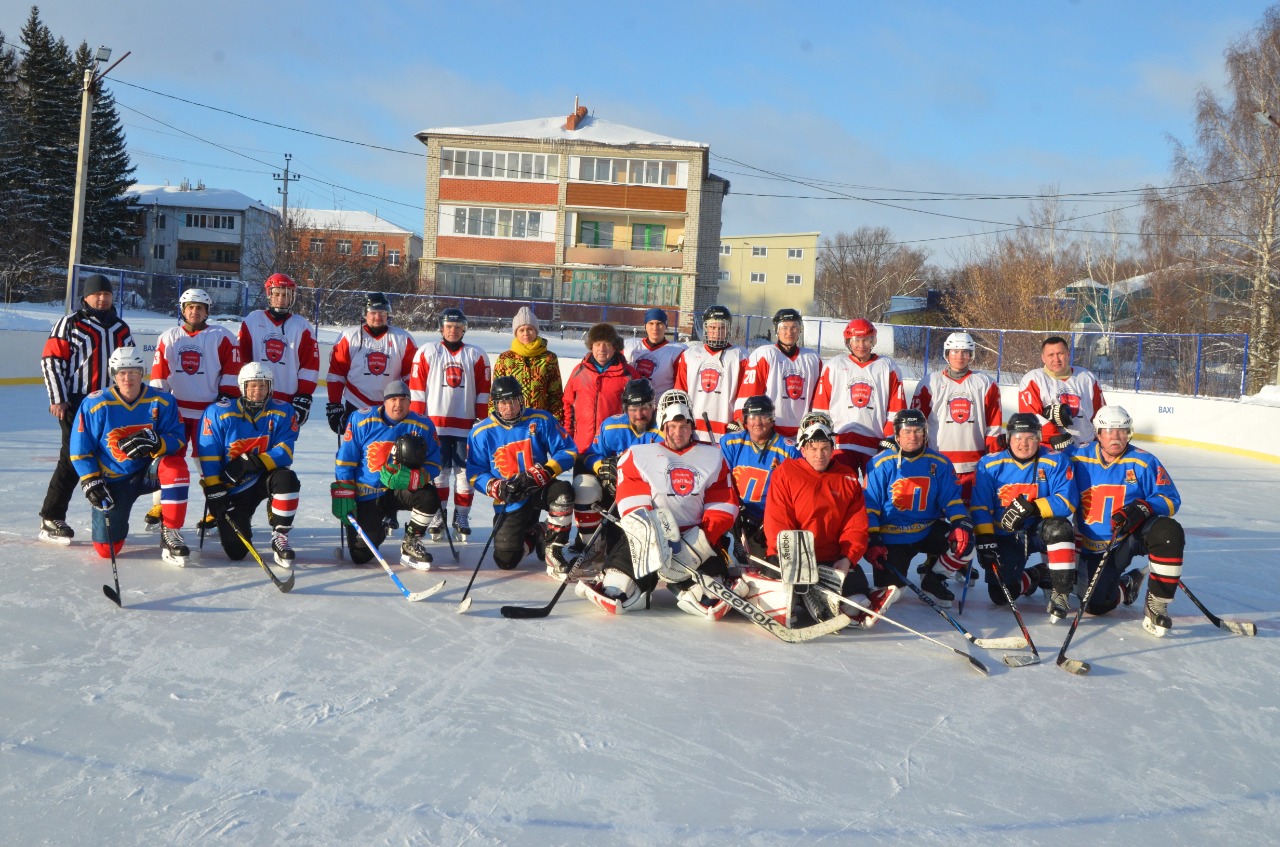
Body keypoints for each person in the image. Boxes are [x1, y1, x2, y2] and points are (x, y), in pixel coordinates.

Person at [576, 389, 739, 618]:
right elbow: (631, 501)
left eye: (684, 426)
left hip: (698, 539)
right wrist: (653, 538)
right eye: (672, 426)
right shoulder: (639, 455)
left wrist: (701, 541)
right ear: (663, 427)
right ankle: (637, 584)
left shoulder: (714, 456)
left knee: (707, 594)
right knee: (618, 587)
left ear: (692, 426)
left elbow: (723, 503)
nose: (678, 433)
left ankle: (686, 587)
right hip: (647, 539)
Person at [751, 411, 894, 627]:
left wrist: (848, 558)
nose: (820, 454)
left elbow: (855, 526)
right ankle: (789, 598)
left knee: (856, 601)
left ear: (832, 448)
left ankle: (851, 603)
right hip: (791, 558)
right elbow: (777, 522)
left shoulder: (847, 478)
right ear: (803, 448)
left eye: (825, 448)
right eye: (813, 448)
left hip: (831, 561)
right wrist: (796, 562)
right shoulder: (785, 473)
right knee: (783, 599)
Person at [1068, 405, 1184, 637]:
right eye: (1110, 431)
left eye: (1122, 431)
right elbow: (1044, 466)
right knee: (1096, 605)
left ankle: (1157, 604)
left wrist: (1144, 507)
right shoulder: (1078, 456)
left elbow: (1171, 499)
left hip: (1128, 538)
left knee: (1168, 532)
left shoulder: (1143, 461)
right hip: (1092, 545)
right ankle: (1127, 584)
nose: (1116, 437)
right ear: (1098, 433)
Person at [70, 347, 190, 565]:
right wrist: (90, 480)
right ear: (113, 374)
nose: (127, 378)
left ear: (142, 372)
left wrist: (159, 442)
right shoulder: (95, 403)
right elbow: (80, 449)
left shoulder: (162, 401)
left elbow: (179, 437)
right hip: (114, 479)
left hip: (148, 472)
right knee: (107, 550)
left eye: (133, 372)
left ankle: (171, 531)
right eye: (122, 372)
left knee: (176, 467)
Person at [39, 273, 134, 544]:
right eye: (97, 295)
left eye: (106, 294)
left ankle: (108, 518)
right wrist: (58, 398)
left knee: (112, 457)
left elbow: (130, 367)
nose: (102, 299)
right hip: (78, 402)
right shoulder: (70, 324)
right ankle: (50, 517)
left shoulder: (121, 328)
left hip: (110, 404)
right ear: (86, 297)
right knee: (72, 457)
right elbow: (51, 362)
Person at [147, 287, 242, 533]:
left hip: (207, 414)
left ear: (207, 311)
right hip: (175, 413)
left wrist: (225, 401)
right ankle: (161, 506)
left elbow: (232, 371)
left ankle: (215, 509)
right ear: (182, 309)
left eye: (199, 308)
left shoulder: (222, 336)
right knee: (166, 459)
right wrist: (158, 404)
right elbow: (159, 372)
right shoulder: (169, 336)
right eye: (190, 307)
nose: (194, 311)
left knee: (208, 463)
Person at [863, 409, 973, 607]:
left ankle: (934, 578)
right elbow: (869, 505)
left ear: (925, 434)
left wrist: (959, 521)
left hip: (926, 530)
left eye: (918, 431)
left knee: (965, 545)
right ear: (897, 435)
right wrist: (873, 536)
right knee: (892, 593)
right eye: (907, 431)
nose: (913, 436)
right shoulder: (880, 463)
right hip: (892, 537)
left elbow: (951, 499)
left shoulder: (939, 462)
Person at [969, 413, 1078, 614]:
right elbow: (980, 506)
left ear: (1039, 438)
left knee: (1060, 528)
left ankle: (1061, 592)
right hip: (1006, 535)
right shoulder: (989, 464)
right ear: (1009, 438)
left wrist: (1034, 508)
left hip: (1039, 531)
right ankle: (1038, 574)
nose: (1024, 444)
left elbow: (1067, 502)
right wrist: (985, 537)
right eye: (1018, 437)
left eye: (1030, 438)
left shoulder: (1056, 460)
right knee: (1001, 596)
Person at [197, 362, 301, 568]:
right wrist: (214, 487)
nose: (258, 391)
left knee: (287, 479)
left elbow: (286, 451)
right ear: (242, 386)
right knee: (236, 552)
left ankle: (280, 535)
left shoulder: (282, 410)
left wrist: (251, 462)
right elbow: (208, 453)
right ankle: (227, 519)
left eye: (263, 385)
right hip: (234, 488)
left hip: (265, 478)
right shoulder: (218, 413)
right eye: (252, 385)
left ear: (270, 387)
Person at [468, 375, 578, 572]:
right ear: (495, 404)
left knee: (563, 491)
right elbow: (475, 473)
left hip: (538, 486)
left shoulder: (541, 420)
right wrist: (497, 487)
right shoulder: (481, 432)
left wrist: (546, 470)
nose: (509, 408)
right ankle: (539, 531)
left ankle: (554, 550)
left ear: (521, 400)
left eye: (513, 401)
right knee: (506, 560)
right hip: (511, 496)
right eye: (503, 403)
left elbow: (568, 450)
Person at [333, 380, 444, 568]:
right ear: (384, 402)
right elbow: (345, 461)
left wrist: (419, 477)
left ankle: (412, 541)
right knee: (360, 555)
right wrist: (345, 492)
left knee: (428, 496)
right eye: (393, 399)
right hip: (367, 492)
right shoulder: (361, 420)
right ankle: (380, 525)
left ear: (410, 403)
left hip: (400, 489)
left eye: (403, 400)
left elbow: (435, 461)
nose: (398, 404)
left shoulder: (423, 425)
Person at [409, 306, 490, 542]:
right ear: (441, 328)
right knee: (439, 473)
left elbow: (483, 392)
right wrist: (417, 421)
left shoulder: (477, 354)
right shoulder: (427, 351)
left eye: (457, 327)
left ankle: (461, 516)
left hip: (466, 426)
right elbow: (416, 390)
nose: (453, 330)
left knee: (465, 474)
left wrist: (481, 422)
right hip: (435, 425)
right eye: (448, 326)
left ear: (464, 329)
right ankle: (439, 515)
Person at [571, 378, 663, 557]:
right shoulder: (612, 425)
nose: (639, 414)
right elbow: (590, 455)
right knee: (584, 485)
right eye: (633, 409)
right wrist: (601, 466)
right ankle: (592, 545)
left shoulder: (665, 428)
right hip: (614, 492)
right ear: (624, 408)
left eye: (644, 408)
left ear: (653, 406)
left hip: (651, 497)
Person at [910, 331, 1003, 502]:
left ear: (971, 355)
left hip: (974, 463)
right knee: (938, 510)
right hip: (938, 461)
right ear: (947, 354)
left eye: (965, 352)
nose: (959, 356)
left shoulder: (985, 383)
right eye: (954, 351)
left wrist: (992, 454)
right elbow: (916, 423)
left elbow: (994, 423)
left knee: (970, 513)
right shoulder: (929, 382)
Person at [812, 318, 907, 477]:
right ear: (848, 341)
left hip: (874, 443)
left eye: (866, 340)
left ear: (873, 341)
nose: (861, 345)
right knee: (840, 489)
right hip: (840, 441)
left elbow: (896, 410)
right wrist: (824, 438)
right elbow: (821, 409)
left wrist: (888, 439)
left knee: (874, 492)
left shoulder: (888, 367)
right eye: (856, 340)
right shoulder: (834, 365)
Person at [718, 394, 800, 563]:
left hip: (769, 522)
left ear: (772, 419)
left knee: (763, 567)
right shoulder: (731, 443)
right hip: (737, 517)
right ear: (745, 420)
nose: (758, 422)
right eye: (753, 417)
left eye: (763, 416)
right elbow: (720, 482)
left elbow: (797, 492)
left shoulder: (788, 450)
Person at [325, 292, 418, 435]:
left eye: (382, 312)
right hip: (356, 404)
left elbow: (410, 377)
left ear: (388, 314)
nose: (378, 317)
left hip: (390, 406)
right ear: (365, 314)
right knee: (355, 451)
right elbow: (336, 375)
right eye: (373, 312)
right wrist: (334, 405)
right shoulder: (349, 337)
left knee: (386, 451)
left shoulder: (403, 339)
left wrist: (412, 404)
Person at [238, 272, 320, 428]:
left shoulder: (301, 326)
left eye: (285, 294)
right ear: (269, 295)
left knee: (281, 447)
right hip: (255, 395)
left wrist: (304, 395)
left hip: (287, 398)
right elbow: (242, 359)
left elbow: (309, 365)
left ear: (292, 297)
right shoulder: (253, 320)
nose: (281, 299)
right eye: (276, 294)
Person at [737, 307, 821, 437]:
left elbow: (819, 398)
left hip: (803, 433)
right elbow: (749, 394)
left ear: (799, 331)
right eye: (784, 328)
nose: (789, 332)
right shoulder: (764, 354)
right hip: (770, 431)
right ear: (777, 330)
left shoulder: (812, 358)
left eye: (794, 328)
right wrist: (742, 421)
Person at [673, 305, 746, 443]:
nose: (717, 332)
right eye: (713, 328)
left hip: (726, 431)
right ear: (706, 328)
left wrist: (739, 421)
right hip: (693, 431)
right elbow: (680, 392)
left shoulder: (740, 356)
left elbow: (744, 395)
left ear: (728, 329)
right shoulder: (690, 355)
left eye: (722, 328)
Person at [1018, 335, 1106, 448]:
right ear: (1043, 358)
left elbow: (1101, 415)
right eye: (1051, 355)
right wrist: (1057, 437)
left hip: (1086, 448)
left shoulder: (1088, 378)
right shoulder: (1033, 379)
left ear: (1068, 355)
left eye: (1060, 353)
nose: (1056, 359)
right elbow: (1030, 417)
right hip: (1050, 450)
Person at [490, 306, 562, 423]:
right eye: (521, 330)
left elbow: (556, 395)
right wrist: (495, 422)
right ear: (516, 333)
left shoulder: (549, 358)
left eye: (530, 329)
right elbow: (495, 394)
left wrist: (555, 421)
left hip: (540, 422)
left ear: (536, 331)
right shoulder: (505, 359)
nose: (526, 333)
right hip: (512, 422)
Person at [624, 307, 685, 398]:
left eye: (659, 323)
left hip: (661, 406)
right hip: (634, 405)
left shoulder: (676, 351)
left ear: (666, 326)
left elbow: (680, 384)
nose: (655, 328)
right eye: (651, 323)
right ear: (645, 325)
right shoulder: (629, 346)